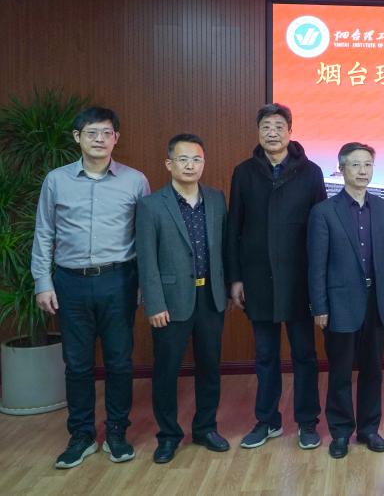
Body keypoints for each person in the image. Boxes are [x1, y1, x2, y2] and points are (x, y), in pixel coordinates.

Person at [31, 106, 150, 469]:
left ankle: (116, 432)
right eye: (91, 133)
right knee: (78, 364)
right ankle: (81, 436)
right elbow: (44, 232)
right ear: (77, 137)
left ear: (116, 138)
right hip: (70, 283)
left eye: (106, 133)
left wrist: (144, 285)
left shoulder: (135, 181)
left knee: (119, 362)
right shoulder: (56, 180)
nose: (99, 139)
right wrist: (42, 281)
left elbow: (145, 238)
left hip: (119, 280)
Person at [225, 103, 326, 450]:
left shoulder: (311, 172)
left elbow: (321, 230)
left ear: (290, 132)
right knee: (265, 355)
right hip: (258, 279)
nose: (272, 132)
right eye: (266, 126)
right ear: (258, 132)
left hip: (299, 280)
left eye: (279, 126)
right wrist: (236, 278)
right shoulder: (244, 172)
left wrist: (319, 281)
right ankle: (267, 420)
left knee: (305, 355)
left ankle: (308, 422)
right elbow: (234, 228)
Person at [136, 134, 229, 463]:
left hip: (211, 297)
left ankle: (205, 428)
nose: (190, 165)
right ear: (169, 164)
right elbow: (146, 258)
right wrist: (154, 303)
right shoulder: (151, 205)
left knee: (210, 367)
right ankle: (168, 436)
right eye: (183, 159)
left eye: (197, 159)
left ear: (204, 163)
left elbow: (224, 248)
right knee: (166, 371)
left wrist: (228, 287)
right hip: (170, 300)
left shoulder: (216, 199)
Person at [308, 142, 384, 459]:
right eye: (356, 165)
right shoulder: (324, 212)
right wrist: (320, 306)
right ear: (342, 168)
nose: (363, 171)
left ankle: (369, 429)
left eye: (368, 165)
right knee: (340, 372)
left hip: (377, 301)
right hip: (339, 304)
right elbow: (316, 265)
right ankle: (340, 432)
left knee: (373, 370)